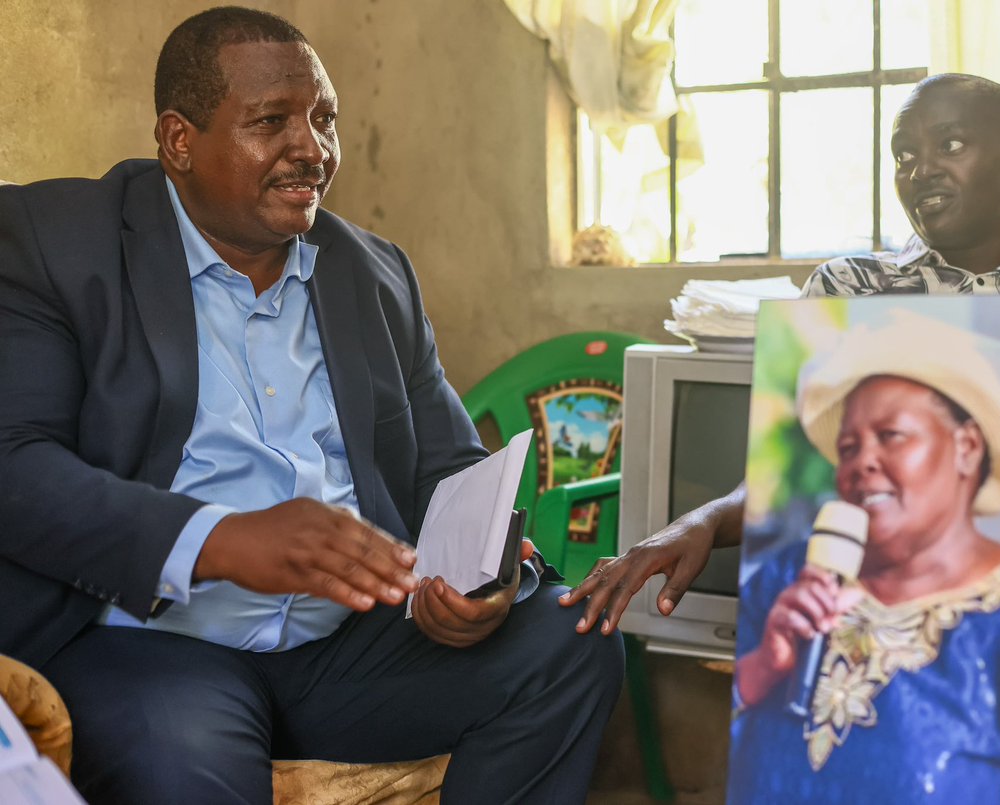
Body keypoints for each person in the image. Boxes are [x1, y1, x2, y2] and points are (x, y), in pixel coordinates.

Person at [0, 7, 622, 805]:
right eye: (273, 121)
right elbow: (17, 467)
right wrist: (221, 540)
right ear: (178, 140)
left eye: (325, 118)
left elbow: (450, 464)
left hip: (349, 644)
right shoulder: (57, 245)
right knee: (183, 767)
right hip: (150, 643)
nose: (313, 150)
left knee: (573, 643)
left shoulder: (373, 272)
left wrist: (481, 578)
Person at [561, 72, 1000, 803]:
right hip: (886, 578)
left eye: (948, 146)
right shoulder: (850, 289)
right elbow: (791, 468)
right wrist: (701, 519)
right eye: (903, 155)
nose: (920, 170)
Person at [727, 310, 1000, 804]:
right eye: (848, 448)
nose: (860, 463)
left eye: (891, 435)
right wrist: (764, 666)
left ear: (967, 447)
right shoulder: (787, 580)